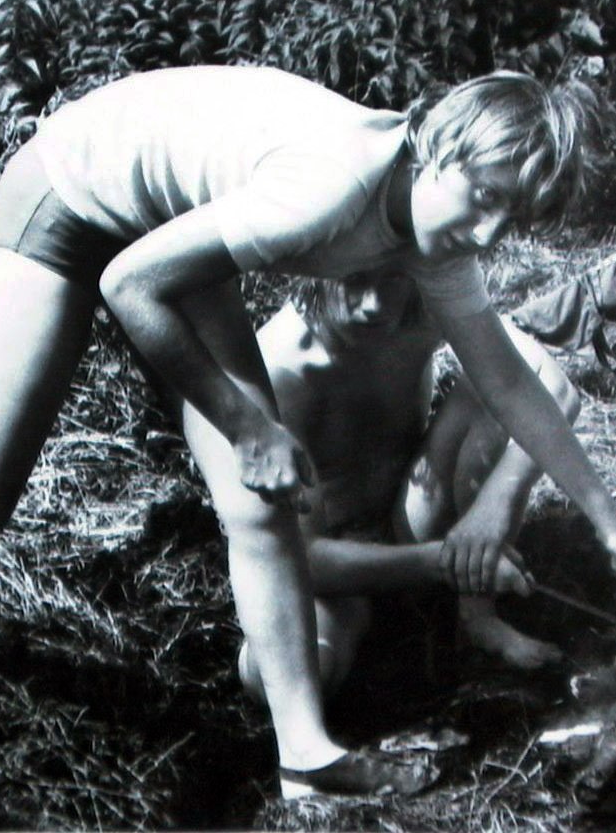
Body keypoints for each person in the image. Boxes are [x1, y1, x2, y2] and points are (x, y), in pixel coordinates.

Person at [0, 65, 616, 817]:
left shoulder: (434, 237)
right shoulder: (332, 186)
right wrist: (248, 424)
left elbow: (510, 380)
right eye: (484, 197)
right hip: (73, 203)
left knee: (255, 504)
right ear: (438, 147)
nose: (489, 233)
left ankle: (306, 755)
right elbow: (130, 281)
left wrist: (607, 519)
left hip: (179, 234)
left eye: (512, 216)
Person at [196, 268, 575, 704]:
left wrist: (495, 505)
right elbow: (302, 559)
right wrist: (437, 562)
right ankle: (355, 638)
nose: (375, 304)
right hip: (339, 568)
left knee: (493, 390)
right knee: (281, 679)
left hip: (413, 515)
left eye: (391, 278)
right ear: (314, 270)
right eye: (355, 280)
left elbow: (557, 388)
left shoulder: (422, 313)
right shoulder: (280, 369)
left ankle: (477, 618)